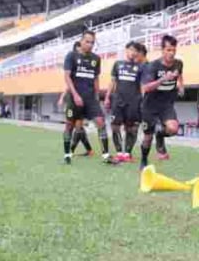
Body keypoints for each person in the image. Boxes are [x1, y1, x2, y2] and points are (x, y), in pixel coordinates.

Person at [61, 30, 114, 165]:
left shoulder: (96, 59)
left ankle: (106, 156)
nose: (90, 45)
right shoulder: (71, 56)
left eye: (92, 42)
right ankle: (67, 154)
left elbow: (96, 78)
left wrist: (97, 95)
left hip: (91, 99)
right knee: (69, 126)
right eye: (87, 41)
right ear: (81, 41)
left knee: (101, 122)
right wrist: (75, 95)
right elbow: (67, 77)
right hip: (74, 98)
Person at [139, 35, 185, 169]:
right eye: (168, 50)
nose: (171, 53)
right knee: (147, 138)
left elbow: (180, 74)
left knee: (173, 128)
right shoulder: (152, 66)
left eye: (173, 50)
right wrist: (162, 80)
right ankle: (144, 160)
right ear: (162, 50)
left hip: (166, 105)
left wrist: (181, 85)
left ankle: (160, 133)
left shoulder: (178, 63)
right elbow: (145, 88)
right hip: (149, 106)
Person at [104, 42, 144, 163]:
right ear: (126, 50)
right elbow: (112, 82)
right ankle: (119, 152)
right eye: (131, 49)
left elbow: (142, 85)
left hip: (133, 101)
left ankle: (127, 153)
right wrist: (107, 97)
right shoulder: (117, 64)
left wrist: (144, 100)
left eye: (135, 50)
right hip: (118, 100)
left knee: (130, 128)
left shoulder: (141, 67)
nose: (133, 52)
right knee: (115, 126)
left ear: (137, 53)